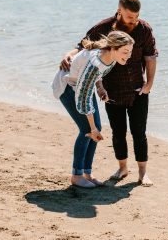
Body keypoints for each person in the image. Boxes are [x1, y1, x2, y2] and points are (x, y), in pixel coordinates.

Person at [60, 0, 158, 186]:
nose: (134, 20)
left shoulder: (144, 29)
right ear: (120, 10)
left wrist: (149, 83)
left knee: (139, 132)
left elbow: (150, 57)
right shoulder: (105, 28)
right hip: (111, 90)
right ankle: (122, 168)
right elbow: (84, 46)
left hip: (138, 90)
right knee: (117, 132)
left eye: (137, 15)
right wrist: (68, 54)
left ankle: (142, 173)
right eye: (130, 16)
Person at [53, 31, 134, 188]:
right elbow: (83, 97)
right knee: (87, 130)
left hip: (82, 86)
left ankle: (87, 173)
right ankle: (77, 176)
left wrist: (100, 87)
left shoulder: (111, 57)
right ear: (114, 48)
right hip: (67, 86)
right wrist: (92, 128)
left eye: (130, 51)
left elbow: (98, 75)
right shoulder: (95, 63)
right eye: (125, 51)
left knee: (95, 128)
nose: (128, 55)